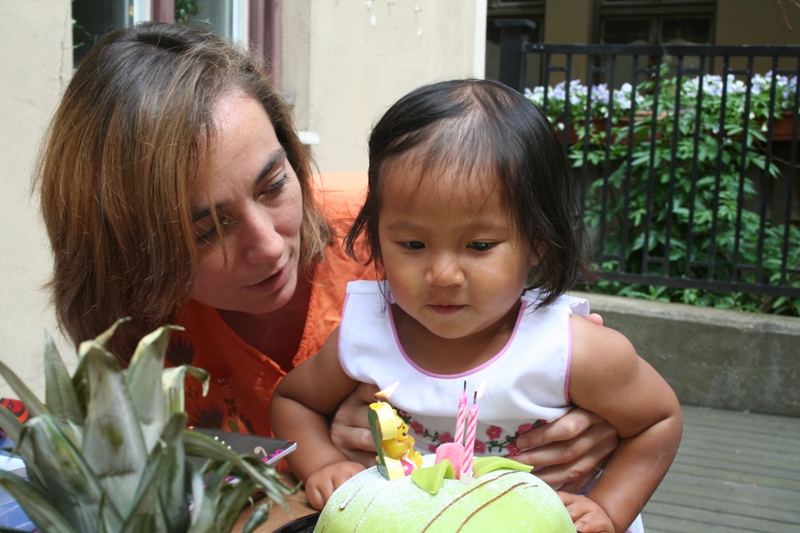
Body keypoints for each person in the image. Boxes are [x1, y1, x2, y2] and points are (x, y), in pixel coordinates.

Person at [34, 22, 616, 488]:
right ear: (128, 252)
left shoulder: (407, 226)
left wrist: (592, 424)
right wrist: (316, 446)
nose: (269, 246)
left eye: (273, 186)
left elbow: (552, 352)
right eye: (206, 231)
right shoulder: (131, 332)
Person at [271, 79, 683, 533]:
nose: (442, 274)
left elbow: (657, 421)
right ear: (378, 235)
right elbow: (294, 401)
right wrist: (323, 463)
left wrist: (607, 508)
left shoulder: (571, 349)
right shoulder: (366, 332)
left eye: (480, 245)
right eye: (413, 244)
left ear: (538, 241)